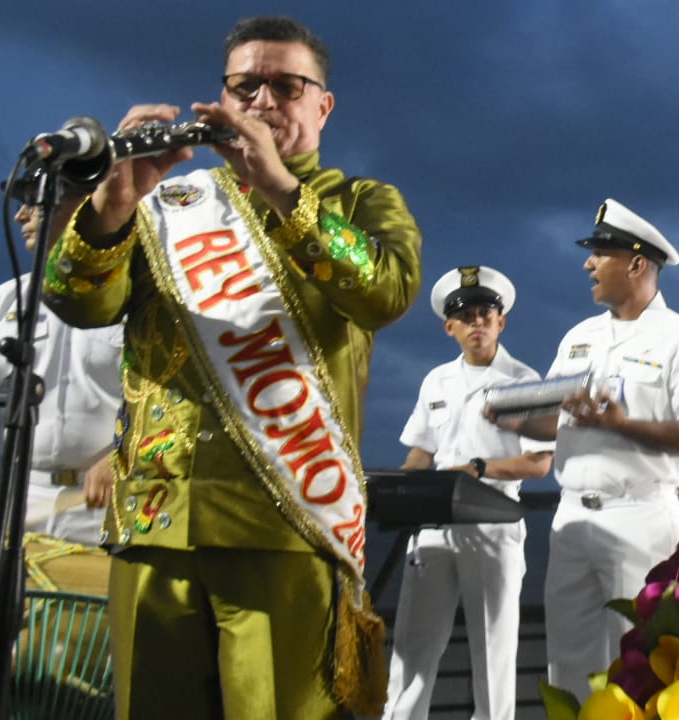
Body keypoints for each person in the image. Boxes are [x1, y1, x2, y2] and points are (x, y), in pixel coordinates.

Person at [40, 16, 422, 720]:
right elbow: (78, 304)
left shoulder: (361, 202)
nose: (265, 100)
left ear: (322, 105)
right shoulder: (168, 204)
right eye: (247, 85)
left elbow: (386, 290)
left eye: (286, 84)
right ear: (222, 95)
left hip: (284, 525)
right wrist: (111, 206)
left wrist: (281, 190)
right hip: (155, 523)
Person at [495, 198, 679, 701]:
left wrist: (623, 425)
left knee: (644, 664)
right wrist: (509, 417)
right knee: (568, 664)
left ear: (637, 263)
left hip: (642, 516)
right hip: (572, 519)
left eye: (600, 253)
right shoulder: (579, 338)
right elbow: (553, 424)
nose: (588, 264)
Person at [384, 265, 554, 720]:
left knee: (493, 655)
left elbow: (539, 463)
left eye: (486, 313)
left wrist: (475, 470)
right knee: (411, 650)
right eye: (467, 316)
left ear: (502, 321)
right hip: (435, 528)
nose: (477, 322)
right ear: (450, 327)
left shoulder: (525, 381)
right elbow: (421, 453)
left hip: (493, 526)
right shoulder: (436, 381)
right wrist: (400, 492)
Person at [0, 203, 120, 554]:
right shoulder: (4, 300)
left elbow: (184, 401)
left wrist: (127, 456)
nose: (20, 215)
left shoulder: (144, 298)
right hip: (13, 501)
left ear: (86, 202)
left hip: (108, 509)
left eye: (35, 202)